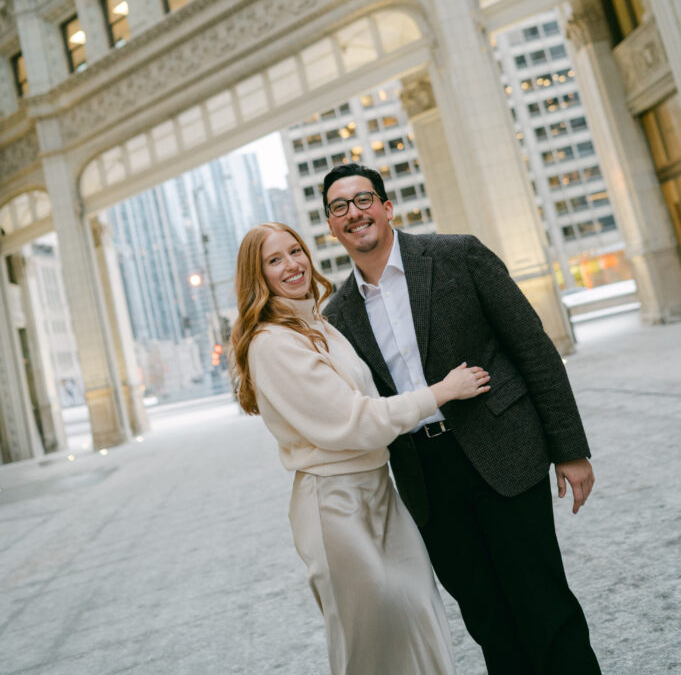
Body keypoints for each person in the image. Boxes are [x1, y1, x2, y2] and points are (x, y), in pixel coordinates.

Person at [322, 162, 602, 675]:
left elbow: (531, 346)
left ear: (386, 208)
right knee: (489, 623)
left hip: (504, 452)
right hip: (428, 481)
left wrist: (570, 449)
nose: (353, 213)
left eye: (363, 200)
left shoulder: (457, 255)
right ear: (332, 227)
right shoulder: (337, 316)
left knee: (544, 606)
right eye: (339, 207)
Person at [229, 221, 492, 675]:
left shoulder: (319, 326)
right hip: (335, 507)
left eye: (295, 251)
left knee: (421, 622)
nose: (292, 265)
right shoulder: (271, 344)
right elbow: (355, 421)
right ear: (257, 276)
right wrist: (440, 392)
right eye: (274, 260)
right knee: (373, 651)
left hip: (380, 493)